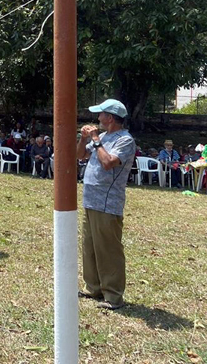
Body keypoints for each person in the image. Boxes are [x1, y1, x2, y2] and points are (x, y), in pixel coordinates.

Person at [76, 98, 136, 310]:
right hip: (91, 200)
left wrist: (95, 139)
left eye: (100, 114)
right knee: (90, 246)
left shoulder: (125, 140)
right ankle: (93, 288)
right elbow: (80, 155)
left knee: (108, 249)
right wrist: (85, 139)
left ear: (110, 118)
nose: (97, 118)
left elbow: (109, 163)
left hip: (108, 203)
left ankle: (113, 295)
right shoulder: (100, 137)